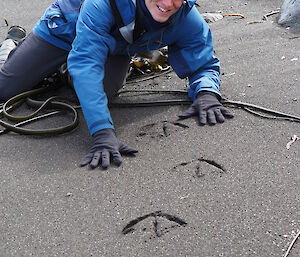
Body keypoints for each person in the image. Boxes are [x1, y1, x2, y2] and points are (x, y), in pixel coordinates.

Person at [0, 0, 234, 169]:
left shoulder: (185, 16)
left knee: (103, 92)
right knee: (4, 89)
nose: (167, 3)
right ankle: (12, 42)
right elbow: (86, 63)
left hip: (112, 46)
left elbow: (202, 60)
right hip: (62, 31)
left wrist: (206, 92)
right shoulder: (102, 4)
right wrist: (102, 131)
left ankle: (61, 71)